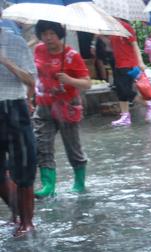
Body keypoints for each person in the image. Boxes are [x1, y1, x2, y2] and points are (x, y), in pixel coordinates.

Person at [32, 20, 91, 197]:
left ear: (59, 34)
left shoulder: (71, 55)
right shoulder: (38, 50)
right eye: (44, 34)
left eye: (51, 33)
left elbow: (87, 83)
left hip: (67, 106)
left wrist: (70, 80)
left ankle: (79, 182)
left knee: (72, 146)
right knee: (43, 144)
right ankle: (48, 185)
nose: (48, 38)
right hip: (43, 105)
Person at [0, 20, 37, 236]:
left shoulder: (16, 42)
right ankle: (16, 212)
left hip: (14, 106)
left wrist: (6, 62)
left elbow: (31, 80)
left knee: (24, 166)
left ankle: (27, 221)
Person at [106, 18, 151, 126]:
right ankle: (125, 116)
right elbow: (111, 47)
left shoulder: (125, 26)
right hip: (118, 64)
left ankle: (150, 106)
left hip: (128, 64)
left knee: (126, 91)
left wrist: (140, 62)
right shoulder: (111, 29)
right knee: (120, 92)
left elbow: (134, 44)